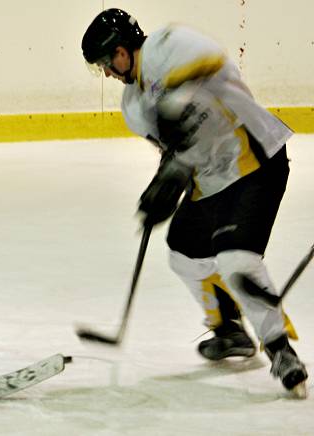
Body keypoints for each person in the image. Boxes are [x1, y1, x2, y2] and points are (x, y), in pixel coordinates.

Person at [81, 9, 307, 397]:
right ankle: (229, 329)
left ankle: (280, 348)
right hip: (211, 180)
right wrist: (163, 187)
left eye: (107, 61)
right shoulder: (133, 105)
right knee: (182, 252)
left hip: (255, 164)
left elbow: (213, 66)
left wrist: (177, 104)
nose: (107, 73)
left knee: (236, 259)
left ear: (123, 49)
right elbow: (175, 151)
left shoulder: (169, 45)